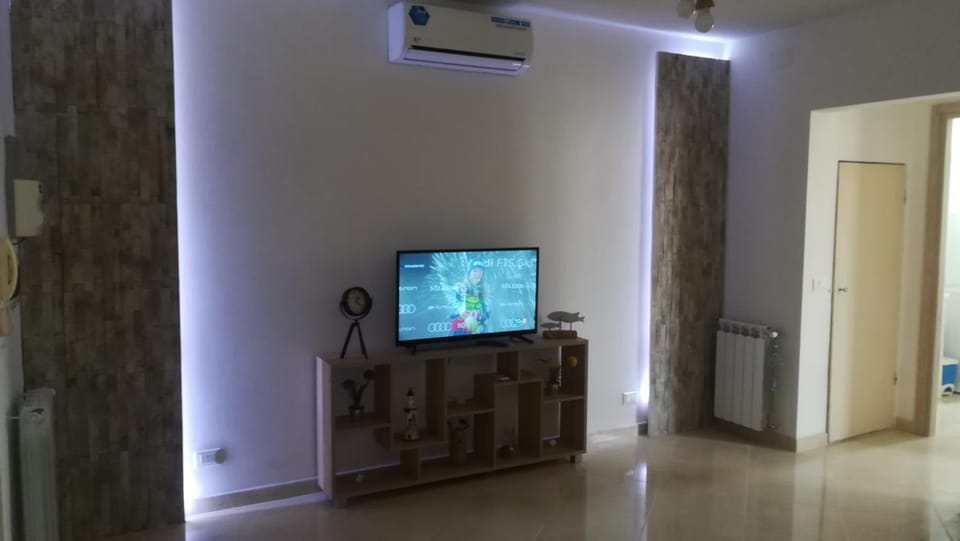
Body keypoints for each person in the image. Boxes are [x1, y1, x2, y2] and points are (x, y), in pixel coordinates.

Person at [450, 260, 490, 335]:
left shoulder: (483, 291)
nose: (477, 274)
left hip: (479, 331)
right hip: (461, 332)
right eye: (475, 271)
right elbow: (452, 312)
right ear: (469, 273)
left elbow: (486, 313)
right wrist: (461, 314)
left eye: (480, 271)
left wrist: (484, 319)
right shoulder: (461, 288)